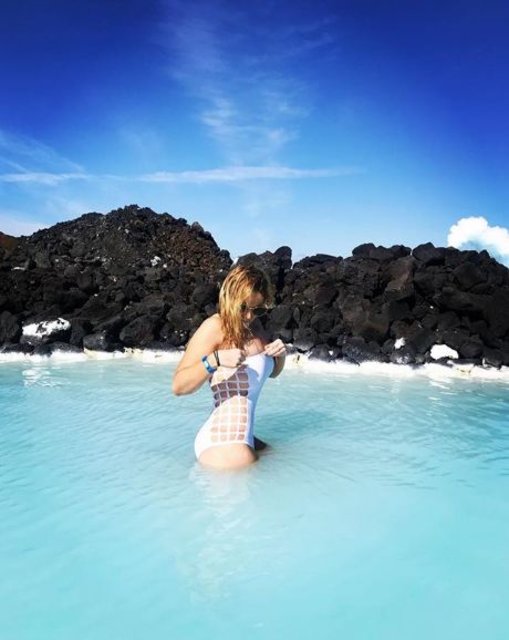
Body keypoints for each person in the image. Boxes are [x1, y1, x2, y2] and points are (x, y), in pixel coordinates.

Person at [172, 264, 286, 470]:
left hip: (243, 438)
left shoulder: (256, 327)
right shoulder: (215, 327)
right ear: (230, 298)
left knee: (279, 455)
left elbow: (270, 374)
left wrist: (281, 357)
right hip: (222, 442)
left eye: (258, 309)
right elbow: (178, 386)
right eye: (243, 308)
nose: (249, 316)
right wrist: (214, 360)